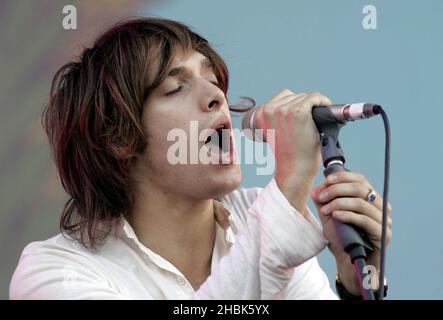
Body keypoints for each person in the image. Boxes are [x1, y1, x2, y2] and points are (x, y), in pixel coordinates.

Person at [9, 17, 392, 299]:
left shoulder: (257, 219)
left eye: (213, 79)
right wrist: (288, 188)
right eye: (175, 87)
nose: (216, 96)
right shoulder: (54, 273)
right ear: (119, 138)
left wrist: (358, 285)